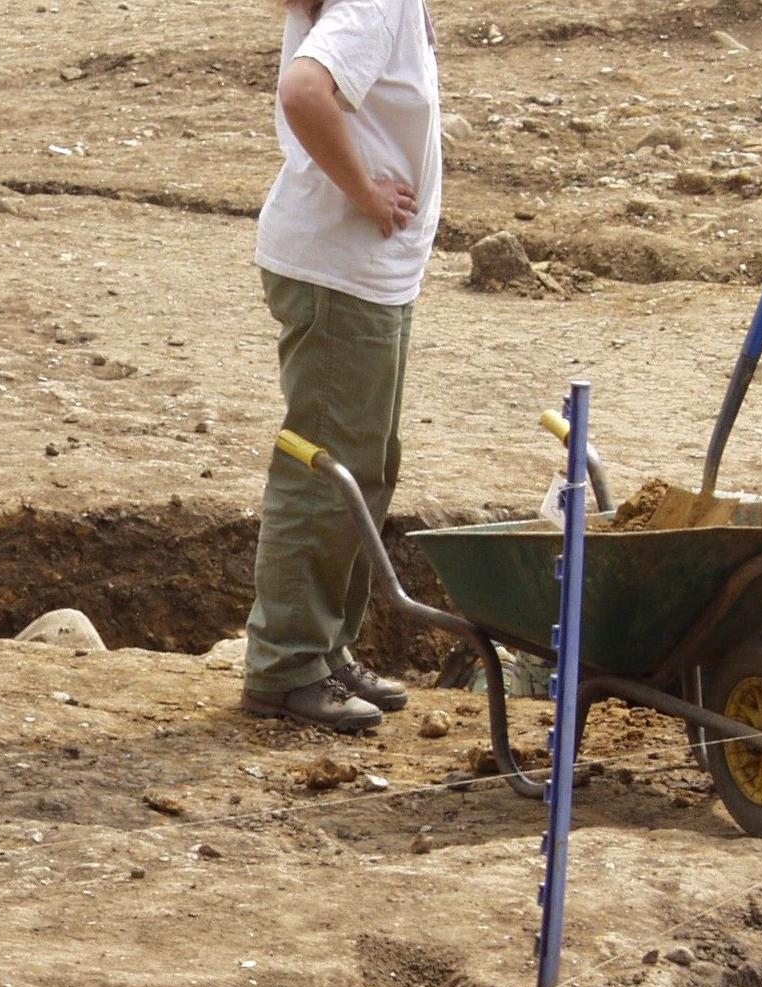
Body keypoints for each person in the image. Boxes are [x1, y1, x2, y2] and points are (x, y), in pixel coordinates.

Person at [240, 0, 440, 733]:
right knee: (324, 470)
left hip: (362, 273)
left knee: (363, 463)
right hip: (340, 273)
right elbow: (303, 91)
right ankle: (287, 665)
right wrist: (363, 191)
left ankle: (323, 649)